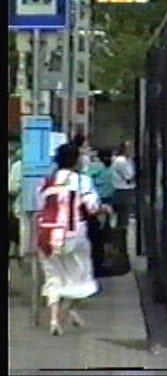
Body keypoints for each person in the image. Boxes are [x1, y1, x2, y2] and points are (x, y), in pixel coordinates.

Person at [37, 143, 112, 335]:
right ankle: (67, 309)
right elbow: (92, 207)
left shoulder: (47, 181)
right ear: (76, 160)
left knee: (53, 277)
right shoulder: (82, 181)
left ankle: (54, 320)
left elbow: (40, 206)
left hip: (46, 236)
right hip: (73, 235)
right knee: (82, 276)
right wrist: (106, 209)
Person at [86, 150, 115, 276]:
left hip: (103, 203)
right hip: (99, 204)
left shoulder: (105, 168)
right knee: (99, 236)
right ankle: (98, 264)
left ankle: (100, 262)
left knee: (102, 235)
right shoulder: (97, 168)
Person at [111, 141, 135, 228]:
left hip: (127, 189)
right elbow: (129, 176)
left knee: (125, 216)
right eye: (129, 148)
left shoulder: (128, 160)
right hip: (123, 190)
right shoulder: (120, 161)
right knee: (123, 215)